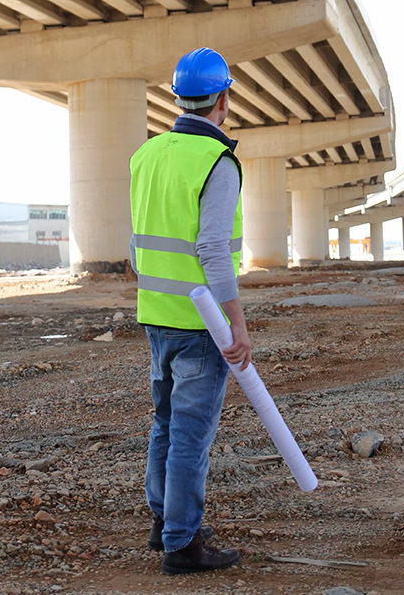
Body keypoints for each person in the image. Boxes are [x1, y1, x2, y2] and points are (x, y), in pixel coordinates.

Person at [129, 47, 251, 575]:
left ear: (179, 99)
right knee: (190, 437)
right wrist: (236, 323)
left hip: (156, 315)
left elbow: (136, 245)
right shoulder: (216, 161)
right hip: (201, 324)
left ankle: (164, 524)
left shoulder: (146, 155)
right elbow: (212, 251)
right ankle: (182, 544)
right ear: (222, 99)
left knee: (164, 425)